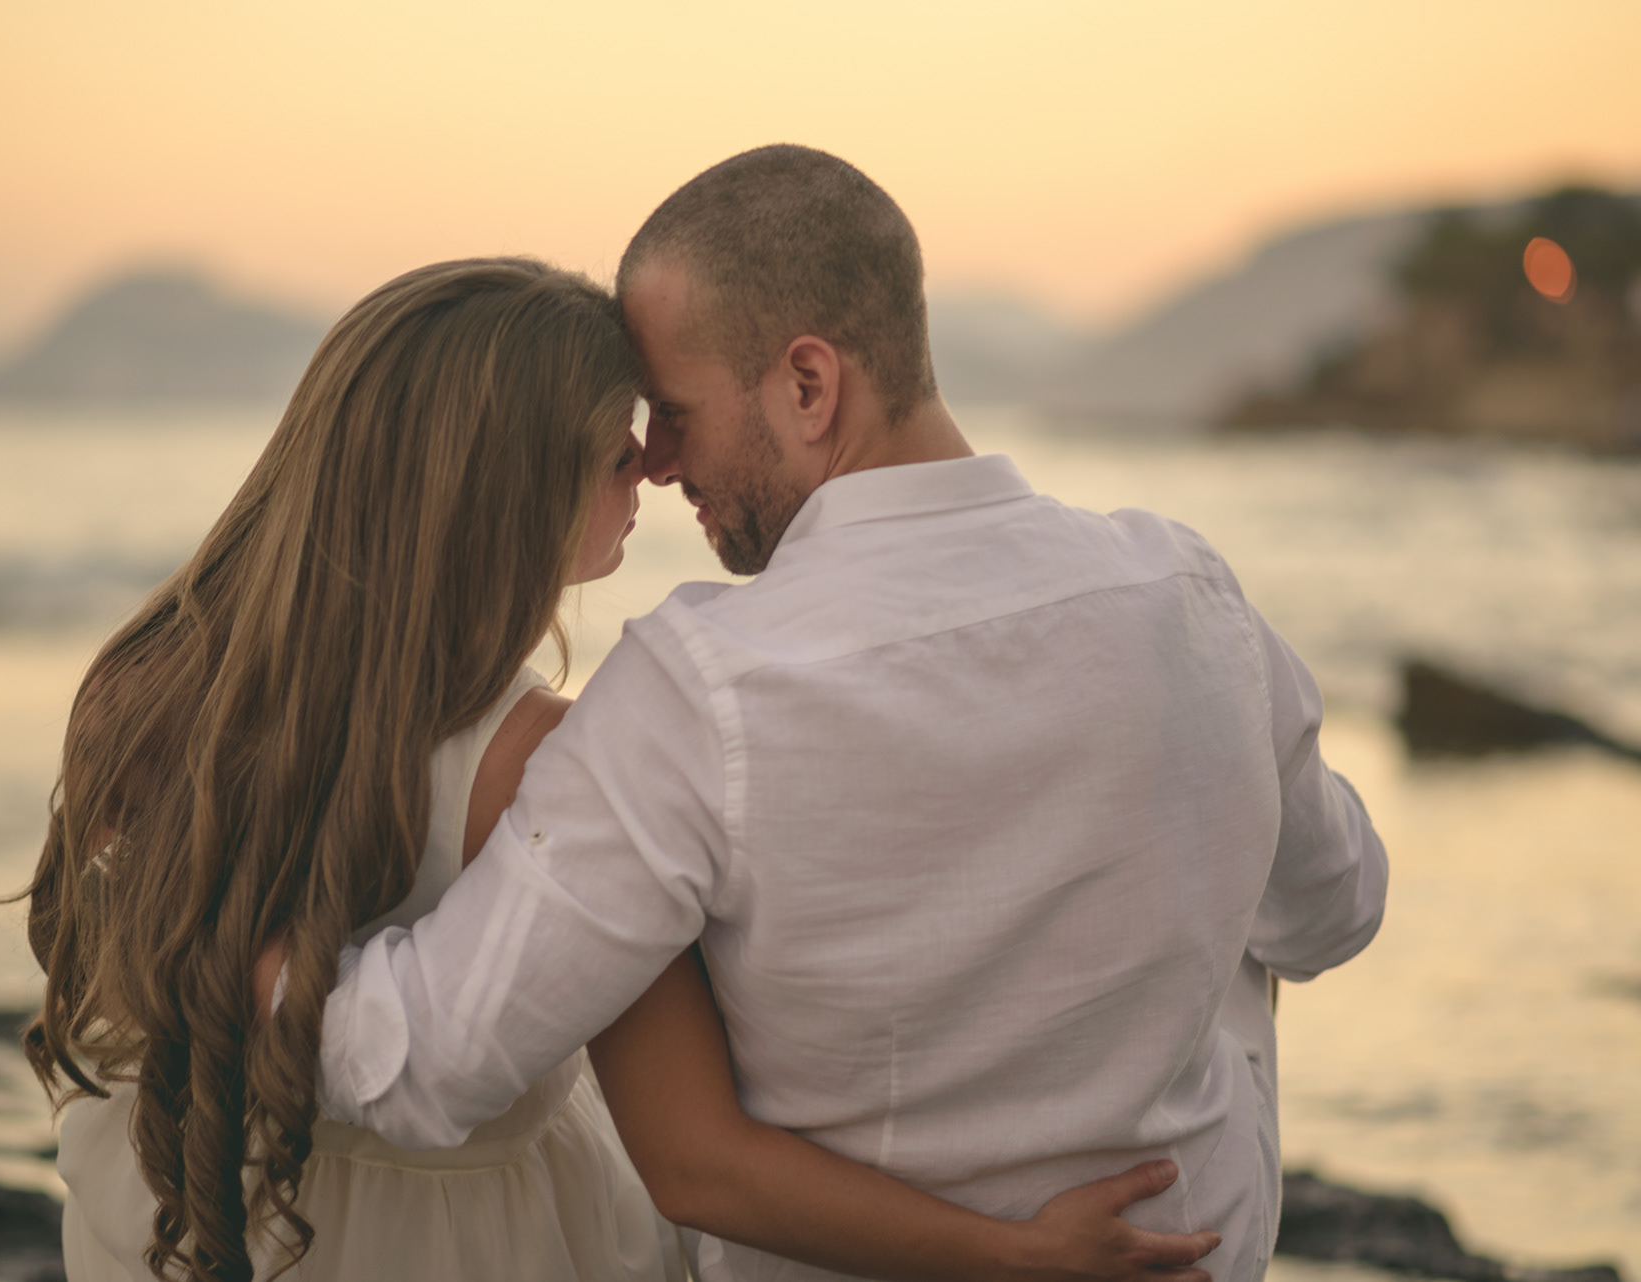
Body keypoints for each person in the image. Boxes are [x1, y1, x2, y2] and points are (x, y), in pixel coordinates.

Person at [21, 257, 1219, 1282]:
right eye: (616, 449)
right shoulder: (538, 760)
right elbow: (698, 1161)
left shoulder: (146, 687)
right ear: (506, 490)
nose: (652, 470)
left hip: (199, 1209)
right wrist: (1010, 1251)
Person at [309, 146, 1389, 1282]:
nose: (658, 462)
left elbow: (420, 1063)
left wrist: (237, 978)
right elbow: (1337, 906)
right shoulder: (1185, 597)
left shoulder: (697, 692)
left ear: (809, 386)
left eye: (675, 412)